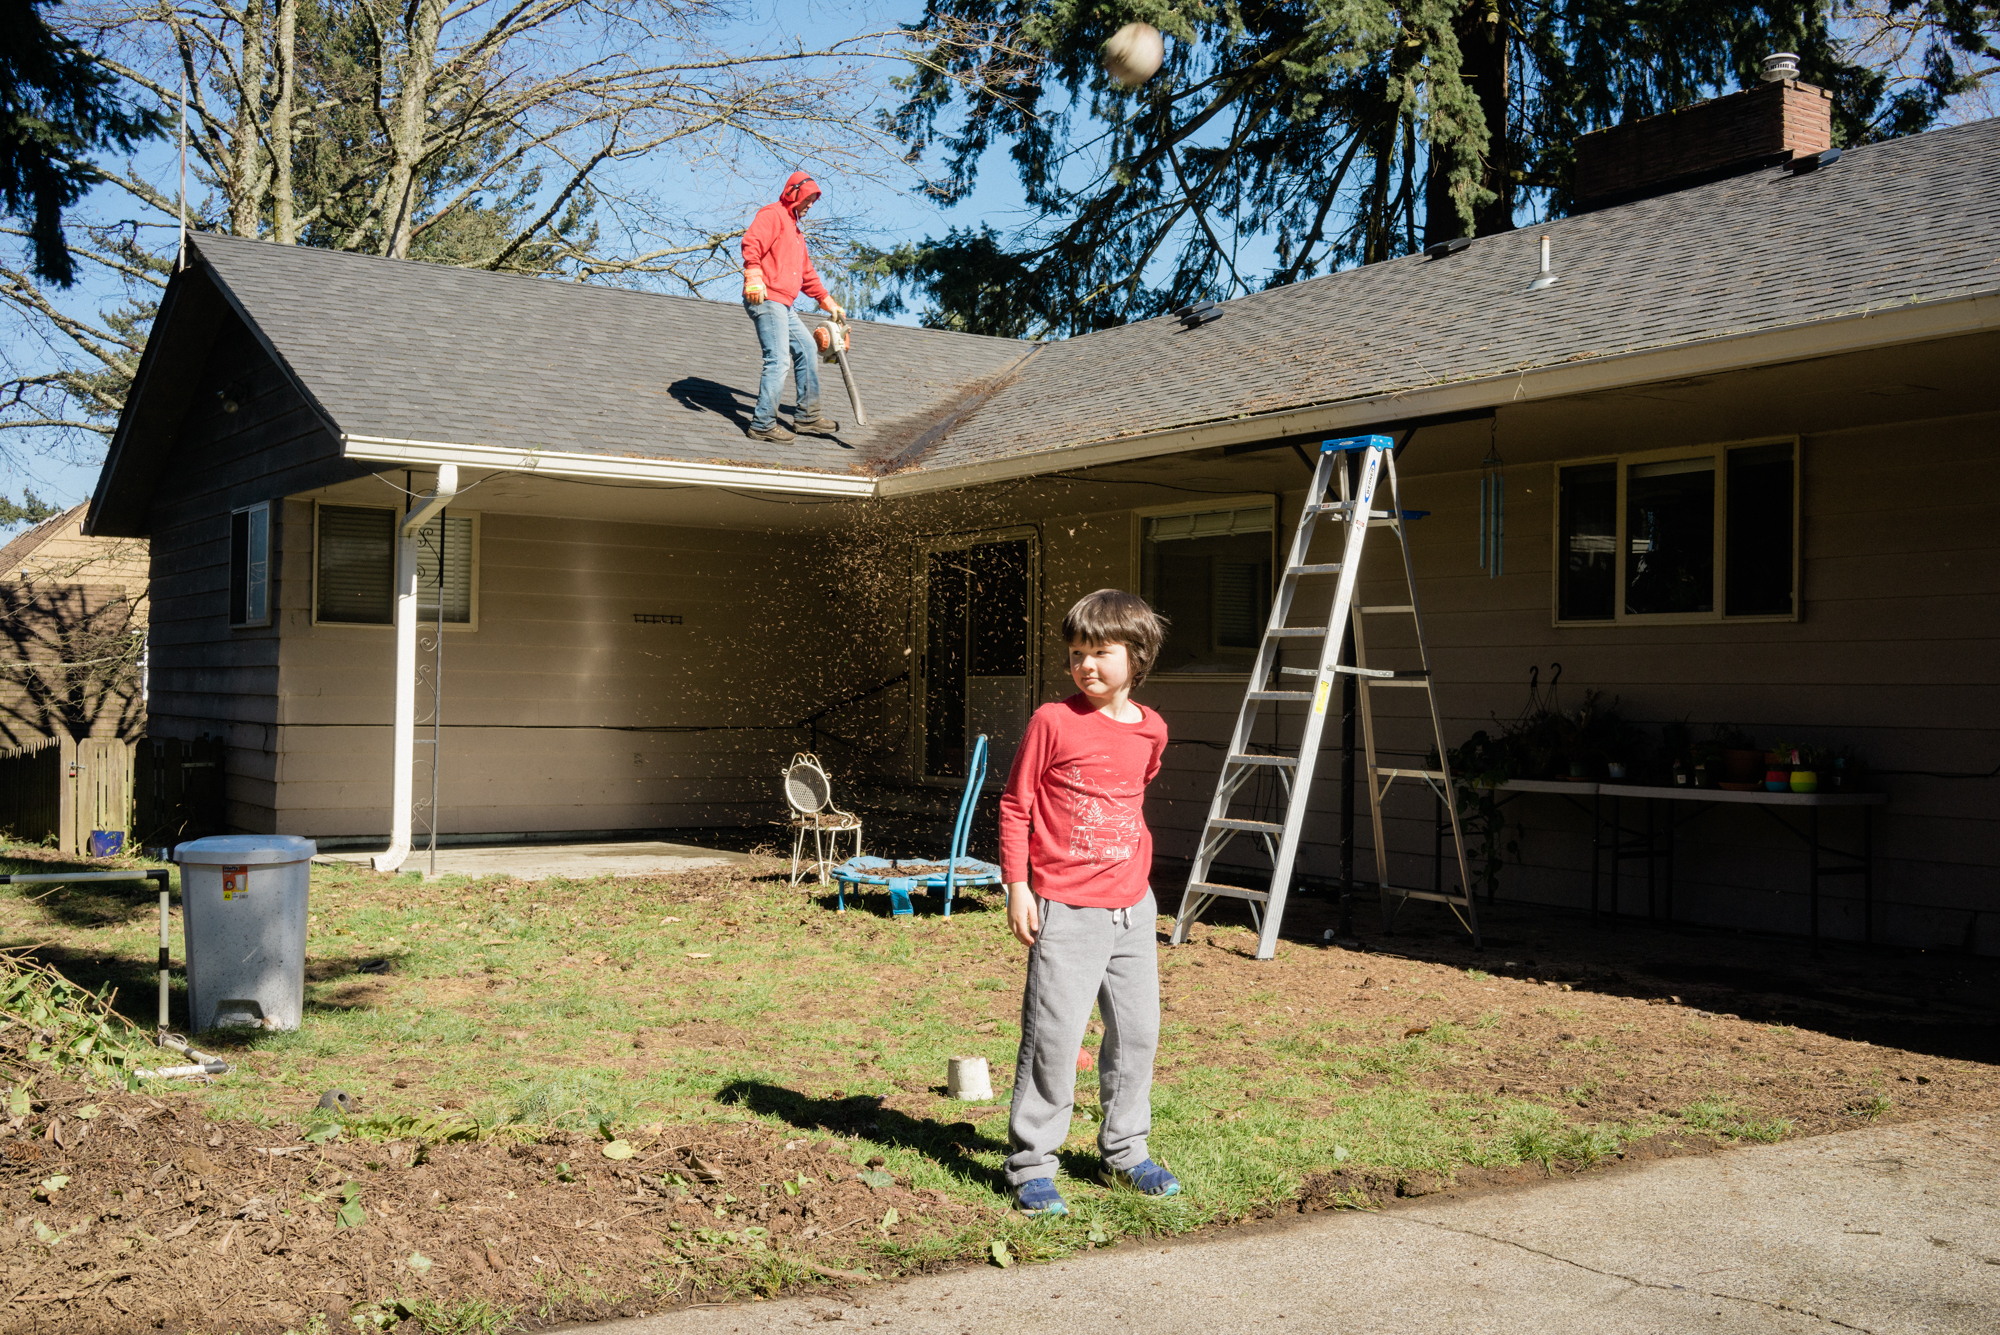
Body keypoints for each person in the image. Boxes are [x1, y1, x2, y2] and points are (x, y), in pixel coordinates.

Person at [998, 588, 1179, 1216]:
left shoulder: (1152, 728)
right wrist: (1019, 885)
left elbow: (1132, 795)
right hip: (1066, 907)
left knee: (1138, 1034)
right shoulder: (1053, 720)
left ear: (1138, 655)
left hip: (1133, 905)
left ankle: (1126, 1151)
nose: (1087, 666)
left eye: (1101, 652)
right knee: (1054, 1036)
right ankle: (1031, 1165)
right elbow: (1016, 804)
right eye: (1077, 653)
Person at [740, 171, 844, 443]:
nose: (810, 205)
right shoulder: (773, 214)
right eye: (808, 198)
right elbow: (752, 242)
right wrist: (753, 274)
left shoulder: (796, 232)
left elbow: (806, 273)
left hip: (784, 304)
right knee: (778, 359)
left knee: (808, 348)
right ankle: (762, 424)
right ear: (794, 192)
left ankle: (807, 417)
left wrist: (826, 300)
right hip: (766, 299)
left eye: (814, 201)